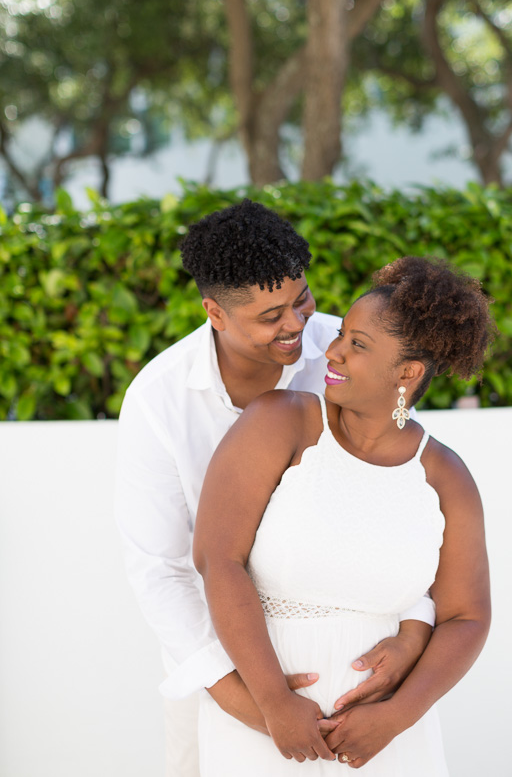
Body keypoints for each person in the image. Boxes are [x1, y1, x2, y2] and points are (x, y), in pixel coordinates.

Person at [115, 201, 435, 777]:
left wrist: (415, 630)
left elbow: (401, 499)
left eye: (302, 299)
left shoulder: (349, 354)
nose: (297, 325)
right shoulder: (158, 400)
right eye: (269, 316)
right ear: (215, 311)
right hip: (214, 667)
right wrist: (247, 696)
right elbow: (160, 568)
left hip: (355, 669)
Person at [193, 255, 495, 775]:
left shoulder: (446, 477)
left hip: (385, 741)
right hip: (266, 725)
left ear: (408, 372)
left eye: (357, 344)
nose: (332, 349)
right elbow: (218, 559)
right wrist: (272, 703)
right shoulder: (280, 422)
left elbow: (466, 617)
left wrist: (397, 717)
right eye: (343, 335)